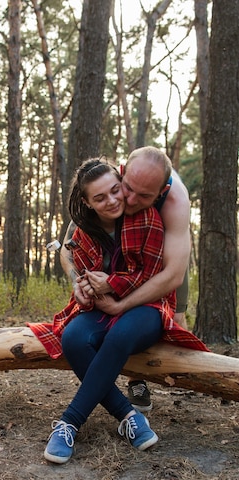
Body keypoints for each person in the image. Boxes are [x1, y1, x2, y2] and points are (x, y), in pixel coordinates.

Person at [28, 156, 207, 464]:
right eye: (100, 197)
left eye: (115, 192)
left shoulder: (153, 215)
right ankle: (129, 417)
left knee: (121, 335)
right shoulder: (86, 225)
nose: (115, 200)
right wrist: (82, 286)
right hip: (104, 308)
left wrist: (112, 285)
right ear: (88, 202)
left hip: (147, 305)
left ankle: (69, 422)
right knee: (72, 338)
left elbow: (163, 275)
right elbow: (75, 260)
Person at [60, 146, 191, 412]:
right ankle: (133, 385)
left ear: (160, 193)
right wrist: (77, 282)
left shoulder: (175, 201)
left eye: (143, 196)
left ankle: (163, 373)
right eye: (126, 188)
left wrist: (121, 305)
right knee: (102, 328)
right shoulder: (108, 182)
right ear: (121, 173)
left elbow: (173, 274)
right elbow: (67, 248)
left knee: (174, 319)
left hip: (167, 260)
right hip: (123, 265)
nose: (128, 200)